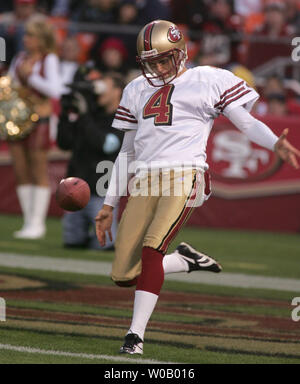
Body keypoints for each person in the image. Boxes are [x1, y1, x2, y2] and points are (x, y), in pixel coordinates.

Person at [95, 20, 300, 355]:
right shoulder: (135, 89)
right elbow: (127, 151)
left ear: (181, 52)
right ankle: (185, 261)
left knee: (152, 248)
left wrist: (274, 141)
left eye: (165, 59)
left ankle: (135, 336)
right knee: (122, 274)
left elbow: (245, 121)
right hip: (144, 180)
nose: (159, 67)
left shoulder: (207, 79)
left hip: (185, 174)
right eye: (152, 62)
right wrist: (108, 204)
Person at [7, 16, 62, 239]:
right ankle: (28, 220)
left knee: (38, 168)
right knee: (20, 169)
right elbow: (11, 85)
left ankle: (38, 223)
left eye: (31, 35)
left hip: (40, 119)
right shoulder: (20, 58)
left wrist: (31, 77)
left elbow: (54, 90)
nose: (26, 39)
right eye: (26, 35)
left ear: (41, 39)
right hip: (18, 119)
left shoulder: (49, 59)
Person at [57, 71, 124, 249]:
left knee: (104, 246)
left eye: (104, 86)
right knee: (72, 243)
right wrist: (65, 116)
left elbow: (107, 145)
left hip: (101, 192)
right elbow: (64, 143)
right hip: (75, 189)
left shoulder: (124, 119)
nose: (98, 91)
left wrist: (84, 116)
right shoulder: (90, 115)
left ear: (118, 91)